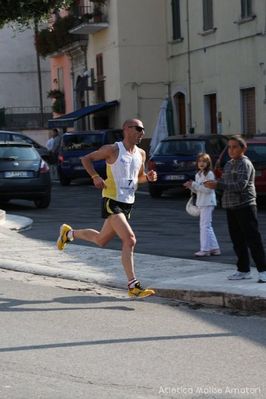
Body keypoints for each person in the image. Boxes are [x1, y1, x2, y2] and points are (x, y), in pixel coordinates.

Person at [56, 119, 157, 297]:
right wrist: (95, 176)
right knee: (130, 239)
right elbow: (86, 159)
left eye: (143, 130)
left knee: (101, 240)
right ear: (126, 129)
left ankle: (68, 234)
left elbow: (138, 177)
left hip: (128, 202)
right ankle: (133, 286)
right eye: (138, 129)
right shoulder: (113, 149)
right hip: (112, 200)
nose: (142, 133)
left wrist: (148, 177)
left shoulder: (141, 153)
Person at [204, 135, 266, 283]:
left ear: (243, 148)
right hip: (231, 207)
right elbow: (225, 183)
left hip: (245, 206)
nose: (231, 150)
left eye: (234, 147)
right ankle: (243, 270)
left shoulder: (245, 164)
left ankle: (263, 270)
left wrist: (217, 185)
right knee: (237, 240)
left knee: (253, 239)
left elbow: (240, 186)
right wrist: (214, 183)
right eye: (229, 147)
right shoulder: (229, 164)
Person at [183, 153, 220, 257]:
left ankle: (205, 249)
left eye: (204, 161)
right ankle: (215, 248)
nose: (201, 163)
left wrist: (194, 184)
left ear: (208, 163)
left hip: (208, 202)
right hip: (202, 202)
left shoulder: (210, 174)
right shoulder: (198, 174)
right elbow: (198, 190)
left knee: (204, 226)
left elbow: (208, 190)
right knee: (207, 225)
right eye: (199, 161)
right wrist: (190, 186)